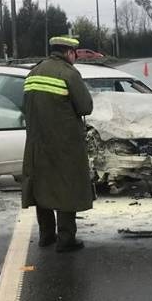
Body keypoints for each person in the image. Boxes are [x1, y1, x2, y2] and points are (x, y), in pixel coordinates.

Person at [22, 36, 94, 252]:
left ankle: (46, 235)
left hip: (37, 143)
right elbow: (85, 107)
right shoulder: (69, 73)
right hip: (64, 144)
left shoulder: (33, 73)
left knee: (42, 186)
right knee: (66, 188)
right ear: (69, 52)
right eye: (75, 53)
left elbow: (25, 106)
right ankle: (66, 240)